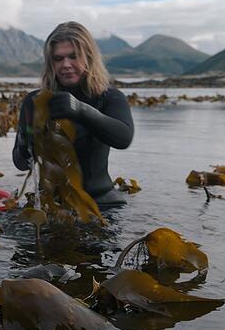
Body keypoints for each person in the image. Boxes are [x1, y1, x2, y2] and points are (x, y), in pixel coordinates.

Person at [12, 21, 134, 210]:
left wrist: (81, 110)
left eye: (73, 57)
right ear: (50, 63)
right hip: (51, 206)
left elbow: (123, 137)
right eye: (58, 58)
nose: (66, 65)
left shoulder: (109, 97)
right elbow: (21, 164)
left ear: (89, 57)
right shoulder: (35, 102)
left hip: (102, 204)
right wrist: (25, 139)